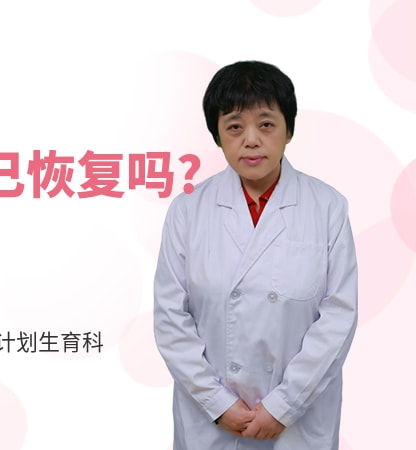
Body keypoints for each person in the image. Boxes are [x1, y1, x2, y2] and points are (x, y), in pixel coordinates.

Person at [153, 61, 358, 449]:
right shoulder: (188, 210)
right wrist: (217, 403)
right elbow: (170, 318)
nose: (251, 140)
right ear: (217, 135)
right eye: (234, 126)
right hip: (212, 422)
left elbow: (338, 318)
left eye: (266, 124)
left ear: (288, 130)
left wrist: (284, 406)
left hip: (298, 420)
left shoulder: (328, 207)